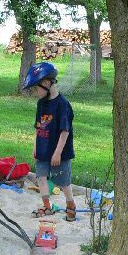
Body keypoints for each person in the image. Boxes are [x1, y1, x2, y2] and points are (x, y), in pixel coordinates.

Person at [23, 62, 78, 222]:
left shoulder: (63, 105)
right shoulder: (41, 103)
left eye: (36, 87)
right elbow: (38, 126)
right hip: (43, 150)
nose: (35, 91)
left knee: (63, 182)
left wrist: (58, 153)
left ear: (47, 83)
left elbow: (65, 131)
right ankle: (48, 206)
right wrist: (35, 146)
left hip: (60, 152)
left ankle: (71, 205)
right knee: (41, 178)